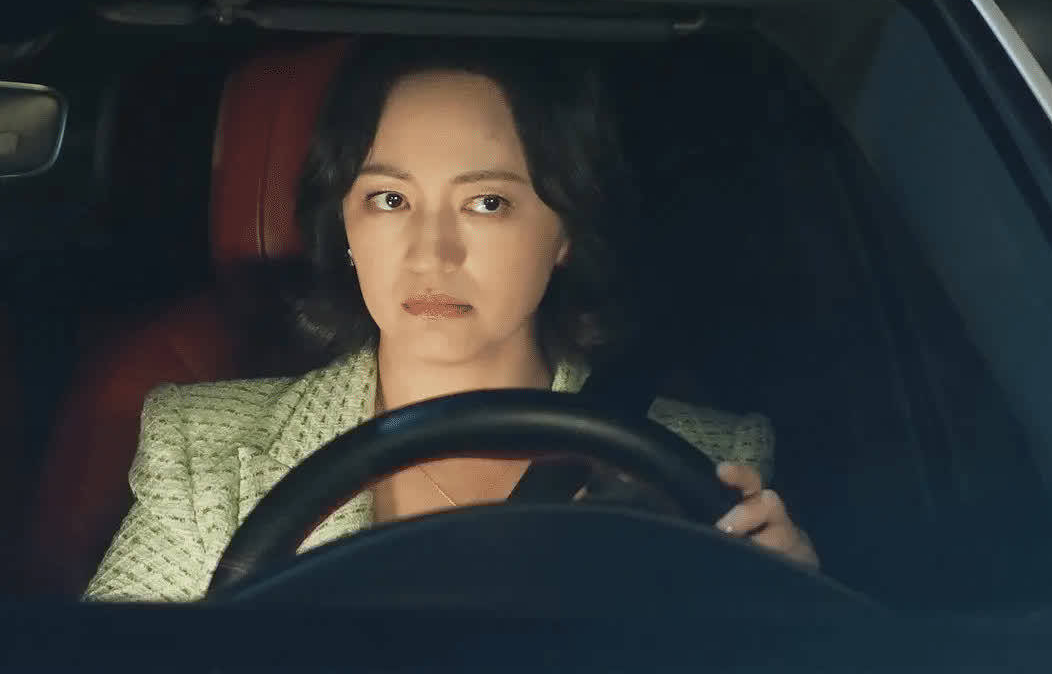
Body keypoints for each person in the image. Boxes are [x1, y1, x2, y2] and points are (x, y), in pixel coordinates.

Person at [85, 39, 817, 602]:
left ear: (566, 231)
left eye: (487, 204)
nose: (431, 254)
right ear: (345, 225)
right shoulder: (205, 452)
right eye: (390, 201)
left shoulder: (705, 465)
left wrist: (795, 613)